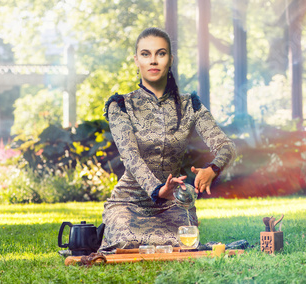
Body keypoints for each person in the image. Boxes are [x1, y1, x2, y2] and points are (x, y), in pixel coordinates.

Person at [100, 27, 236, 250]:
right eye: (146, 54)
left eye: (160, 53)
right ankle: (110, 231)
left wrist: (213, 168)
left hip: (173, 204)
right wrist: (157, 190)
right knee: (126, 240)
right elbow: (131, 157)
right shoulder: (121, 105)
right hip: (129, 202)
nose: (153, 61)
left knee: (185, 242)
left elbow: (227, 147)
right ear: (137, 60)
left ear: (170, 59)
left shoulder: (189, 105)